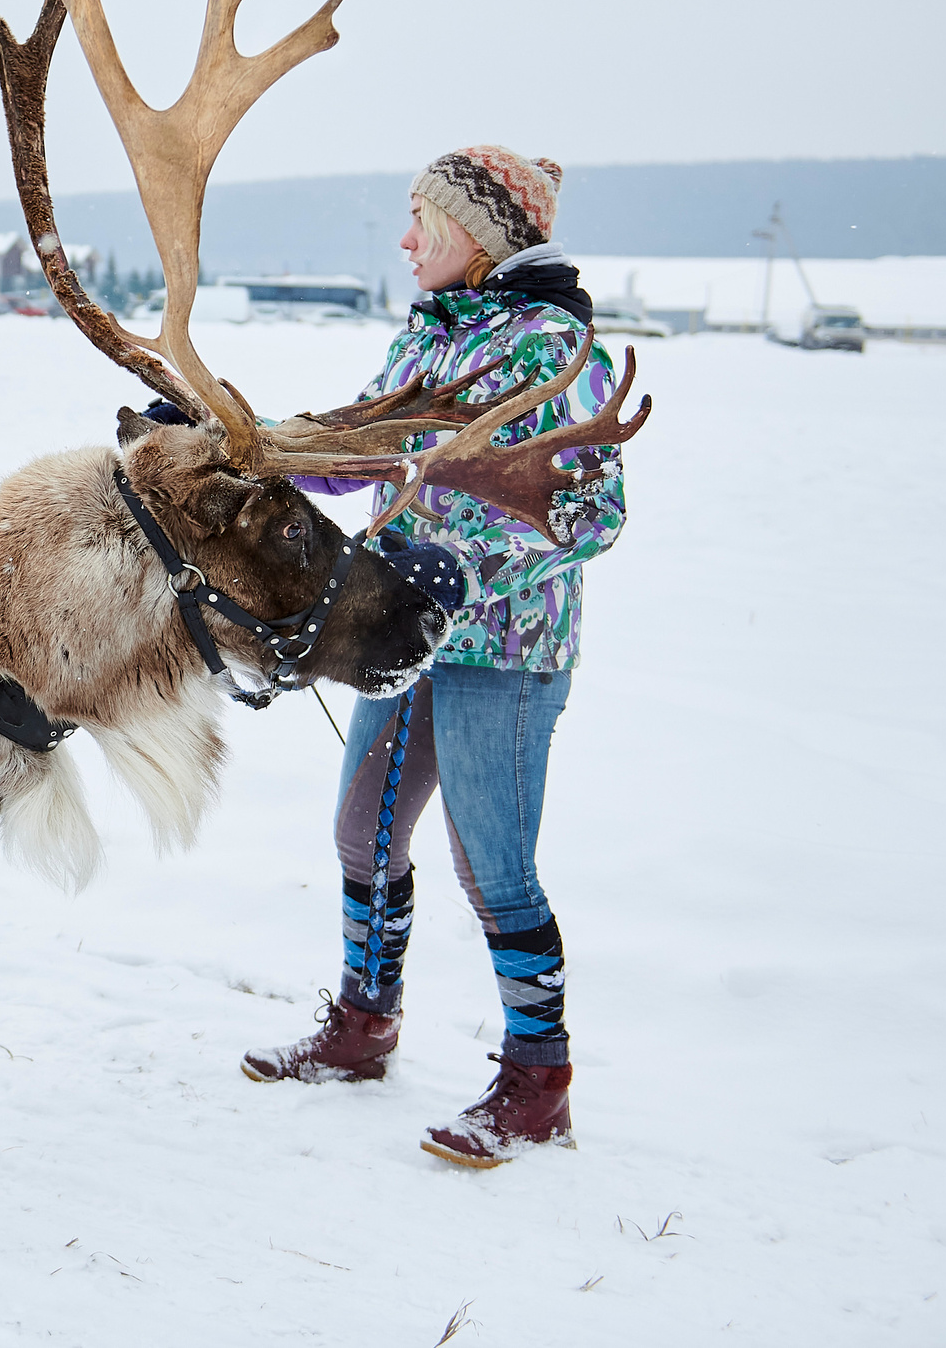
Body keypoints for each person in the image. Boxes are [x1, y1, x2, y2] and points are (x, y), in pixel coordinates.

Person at [235, 146, 628, 1168]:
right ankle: (364, 1027)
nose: (405, 238)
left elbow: (591, 511)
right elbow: (359, 445)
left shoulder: (555, 347)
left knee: (491, 866)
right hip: (405, 637)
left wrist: (462, 569)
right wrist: (234, 445)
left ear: (481, 232)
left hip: (505, 649)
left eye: (422, 217)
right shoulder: (431, 334)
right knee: (362, 832)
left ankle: (537, 1082)